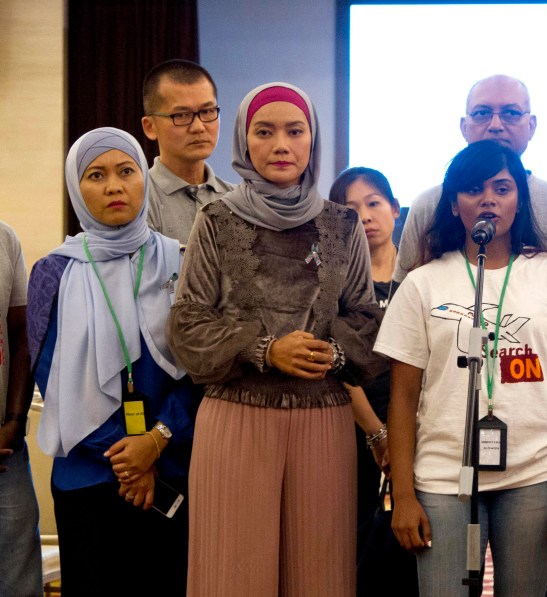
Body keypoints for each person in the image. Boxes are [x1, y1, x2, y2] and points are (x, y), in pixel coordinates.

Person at [167, 82, 385, 596]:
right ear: (245, 141)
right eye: (264, 132)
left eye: (295, 131)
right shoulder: (216, 219)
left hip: (324, 419)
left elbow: (366, 320)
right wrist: (265, 349)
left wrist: (332, 353)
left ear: (313, 141)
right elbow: (188, 322)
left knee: (320, 577)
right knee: (232, 575)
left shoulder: (342, 224)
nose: (281, 145)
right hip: (236, 416)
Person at [377, 140, 547, 596]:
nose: (488, 199)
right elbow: (402, 398)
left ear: (519, 198)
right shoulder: (423, 282)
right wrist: (402, 496)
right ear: (454, 204)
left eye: (502, 188)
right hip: (444, 476)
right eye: (473, 189)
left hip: (536, 473)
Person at [27, 127, 197, 595]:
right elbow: (51, 375)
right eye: (95, 175)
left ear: (144, 178)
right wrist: (129, 457)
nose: (114, 186)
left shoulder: (180, 261)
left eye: (126, 171)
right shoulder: (53, 273)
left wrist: (156, 441)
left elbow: (204, 367)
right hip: (89, 470)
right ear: (76, 188)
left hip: (172, 464)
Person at [394, 74, 547, 296]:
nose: (495, 125)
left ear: (531, 126)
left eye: (510, 113)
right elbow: (404, 298)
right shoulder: (428, 204)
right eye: (482, 113)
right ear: (464, 126)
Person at [328, 166, 418, 594]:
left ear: (396, 210)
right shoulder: (333, 286)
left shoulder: (420, 278)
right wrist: (378, 434)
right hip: (355, 431)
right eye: (350, 209)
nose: (364, 216)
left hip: (422, 429)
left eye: (374, 204)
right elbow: (339, 366)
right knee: (362, 549)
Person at [141, 59, 233, 245]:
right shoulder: (137, 201)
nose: (198, 127)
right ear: (150, 127)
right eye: (181, 115)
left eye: (207, 111)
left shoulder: (238, 201)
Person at [0, 220, 43, 596]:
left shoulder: (5, 237)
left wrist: (15, 421)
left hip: (4, 449)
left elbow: (21, 335)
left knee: (18, 577)